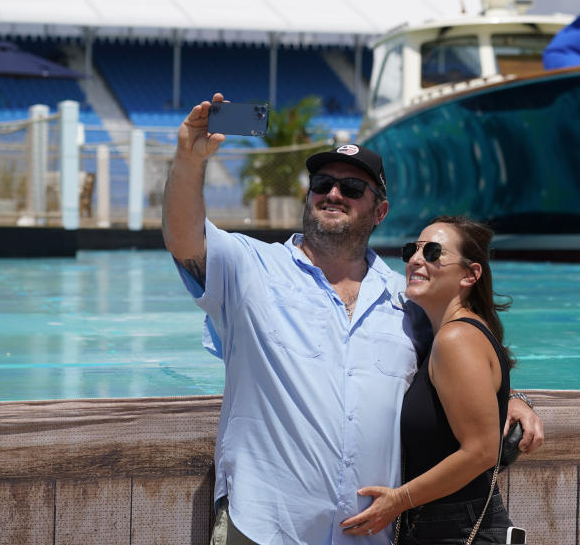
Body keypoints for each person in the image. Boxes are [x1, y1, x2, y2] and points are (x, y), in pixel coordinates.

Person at [162, 93, 544, 545]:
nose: (333, 194)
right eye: (322, 184)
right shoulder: (251, 269)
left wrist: (509, 397)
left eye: (352, 188)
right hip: (265, 526)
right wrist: (189, 159)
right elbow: (185, 240)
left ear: (379, 211)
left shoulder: (408, 303)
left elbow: (461, 359)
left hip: (370, 534)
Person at [339, 216, 518, 544]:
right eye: (413, 250)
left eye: (434, 252)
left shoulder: (456, 339)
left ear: (469, 275)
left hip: (455, 530)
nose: (416, 260)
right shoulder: (454, 335)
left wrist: (398, 500)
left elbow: (481, 451)